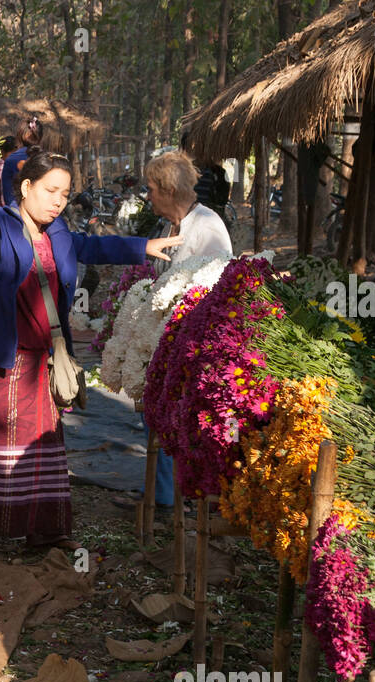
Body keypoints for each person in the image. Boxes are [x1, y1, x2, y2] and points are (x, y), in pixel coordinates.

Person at [0, 148, 180, 564]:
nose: (58, 200)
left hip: (37, 363)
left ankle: (43, 531)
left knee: (40, 448)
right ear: (26, 188)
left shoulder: (59, 232)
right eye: (50, 190)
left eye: (64, 193)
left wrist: (143, 246)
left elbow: (92, 247)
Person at [139, 150, 233, 512]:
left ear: (168, 189)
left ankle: (174, 499)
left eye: (151, 189)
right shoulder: (172, 226)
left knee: (176, 418)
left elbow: (214, 287)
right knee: (159, 415)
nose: (148, 197)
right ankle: (161, 496)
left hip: (192, 343)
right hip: (168, 341)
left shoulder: (207, 227)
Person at [0, 117, 44, 208]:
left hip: (17, 213)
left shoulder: (11, 160)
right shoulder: (47, 159)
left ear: (19, 136)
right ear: (40, 136)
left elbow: (8, 195)